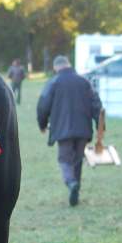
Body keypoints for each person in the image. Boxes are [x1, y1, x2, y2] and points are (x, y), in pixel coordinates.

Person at [36, 55, 102, 207]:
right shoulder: (84, 81)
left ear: (55, 68)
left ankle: (71, 183)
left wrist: (42, 124)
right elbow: (96, 104)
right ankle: (75, 194)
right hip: (83, 129)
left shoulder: (53, 82)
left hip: (62, 129)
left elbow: (43, 106)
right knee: (77, 161)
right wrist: (99, 125)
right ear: (69, 65)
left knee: (65, 160)